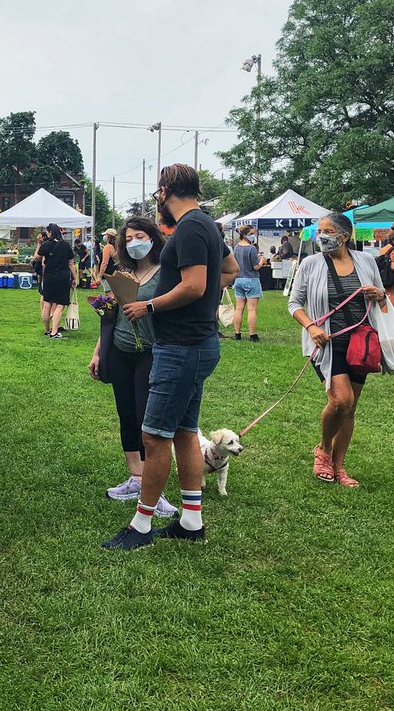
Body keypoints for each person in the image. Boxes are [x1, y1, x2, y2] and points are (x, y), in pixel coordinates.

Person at [105, 164, 238, 550]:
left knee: (154, 435)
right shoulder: (206, 225)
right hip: (195, 344)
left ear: (163, 191)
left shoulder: (192, 227)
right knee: (182, 432)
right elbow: (223, 272)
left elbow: (194, 286)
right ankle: (191, 522)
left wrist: (149, 307)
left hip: (181, 348)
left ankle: (141, 526)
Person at [288, 213, 387, 487]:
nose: (322, 236)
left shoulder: (366, 261)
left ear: (344, 236)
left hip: (361, 343)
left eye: (327, 231)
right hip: (327, 343)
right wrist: (310, 327)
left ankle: (339, 465)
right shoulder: (310, 264)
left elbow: (382, 295)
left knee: (350, 408)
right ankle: (323, 449)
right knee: (340, 401)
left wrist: (379, 295)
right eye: (319, 231)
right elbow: (294, 303)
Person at [90, 217, 176, 517]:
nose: (133, 242)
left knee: (146, 421)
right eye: (127, 238)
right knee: (126, 415)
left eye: (139, 236)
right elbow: (109, 316)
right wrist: (99, 352)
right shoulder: (121, 274)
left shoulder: (165, 275)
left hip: (151, 353)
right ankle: (136, 478)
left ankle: (155, 489)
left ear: (153, 237)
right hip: (120, 352)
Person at [38, 224, 75, 339]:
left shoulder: (46, 245)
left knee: (47, 304)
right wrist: (74, 278)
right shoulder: (66, 245)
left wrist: (39, 244)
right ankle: (54, 332)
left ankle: (47, 329)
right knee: (60, 305)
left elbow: (37, 258)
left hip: (49, 277)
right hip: (63, 277)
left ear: (50, 232)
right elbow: (71, 263)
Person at [231, 224, 266, 341]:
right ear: (245, 234)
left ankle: (237, 334)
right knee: (251, 310)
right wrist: (261, 261)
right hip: (251, 279)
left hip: (239, 279)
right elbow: (255, 267)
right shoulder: (251, 249)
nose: (253, 236)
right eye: (251, 234)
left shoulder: (236, 247)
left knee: (239, 309)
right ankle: (253, 335)